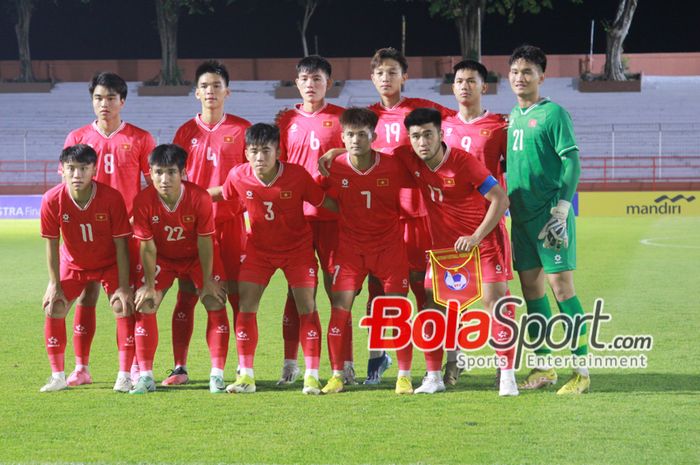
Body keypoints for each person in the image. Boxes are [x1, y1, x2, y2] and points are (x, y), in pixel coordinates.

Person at [209, 123, 337, 395]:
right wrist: (182, 194)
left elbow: (323, 201)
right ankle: (246, 375)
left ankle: (312, 375)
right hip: (259, 251)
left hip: (298, 251)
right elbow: (221, 193)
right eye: (253, 151)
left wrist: (360, 213)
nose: (259, 158)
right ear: (245, 152)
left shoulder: (297, 175)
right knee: (246, 306)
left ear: (278, 151)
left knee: (307, 306)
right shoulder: (239, 175)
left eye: (265, 151)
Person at [396, 108, 511, 394]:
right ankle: (434, 378)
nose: (422, 142)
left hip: (481, 245)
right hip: (444, 254)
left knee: (495, 304)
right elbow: (371, 156)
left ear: (441, 134)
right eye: (416, 136)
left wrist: (475, 236)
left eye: (428, 135)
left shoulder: (463, 162)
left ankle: (507, 375)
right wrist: (336, 151)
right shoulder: (409, 159)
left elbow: (500, 199)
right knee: (431, 308)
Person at [363, 47, 456, 383]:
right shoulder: (365, 117)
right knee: (379, 291)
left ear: (405, 76)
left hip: (423, 216)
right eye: (380, 73)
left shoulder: (423, 111)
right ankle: (378, 359)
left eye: (392, 72)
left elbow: (460, 124)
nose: (386, 78)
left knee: (431, 292)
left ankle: (450, 359)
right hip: (382, 219)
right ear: (372, 78)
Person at [506, 45, 590, 394]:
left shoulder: (554, 114)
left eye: (527, 72)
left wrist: (562, 208)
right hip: (521, 218)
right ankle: (544, 366)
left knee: (562, 289)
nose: (520, 78)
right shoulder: (512, 116)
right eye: (514, 72)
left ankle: (582, 371)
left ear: (542, 76)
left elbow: (572, 162)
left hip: (549, 216)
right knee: (531, 291)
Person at [63, 72, 156, 387]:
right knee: (86, 298)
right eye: (98, 98)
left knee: (124, 300)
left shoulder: (140, 138)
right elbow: (66, 188)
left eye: (111, 98)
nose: (104, 104)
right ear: (92, 100)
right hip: (88, 234)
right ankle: (81, 368)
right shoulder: (77, 138)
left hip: (124, 235)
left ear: (123, 101)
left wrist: (141, 222)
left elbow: (152, 187)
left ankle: (128, 368)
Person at [316, 107, 415, 395]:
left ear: (373, 136)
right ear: (342, 137)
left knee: (397, 310)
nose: (355, 139)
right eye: (349, 134)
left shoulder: (393, 164)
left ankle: (404, 375)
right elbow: (321, 197)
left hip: (389, 248)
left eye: (362, 134)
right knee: (339, 308)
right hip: (350, 249)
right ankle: (337, 374)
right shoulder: (335, 167)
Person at [168, 60, 250, 386]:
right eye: (205, 86)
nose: (211, 91)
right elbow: (173, 180)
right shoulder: (184, 133)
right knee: (186, 294)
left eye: (217, 86)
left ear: (227, 92)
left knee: (236, 297)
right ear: (196, 93)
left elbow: (253, 178)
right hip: (192, 228)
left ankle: (244, 367)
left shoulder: (242, 130)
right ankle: (180, 367)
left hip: (230, 226)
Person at [441, 60, 517, 390]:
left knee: (494, 299)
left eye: (472, 81)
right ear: (453, 87)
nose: (465, 86)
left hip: (487, 226)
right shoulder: (441, 127)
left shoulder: (501, 127)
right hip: (450, 227)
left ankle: (506, 369)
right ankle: (453, 363)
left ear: (483, 87)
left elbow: (515, 169)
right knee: (451, 301)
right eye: (459, 81)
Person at [131, 144, 229, 394]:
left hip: (197, 256)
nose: (164, 179)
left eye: (171, 172)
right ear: (150, 173)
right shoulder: (143, 201)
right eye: (159, 172)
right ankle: (145, 377)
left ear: (183, 172)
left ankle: (217, 375)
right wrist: (149, 285)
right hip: (163, 258)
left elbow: (206, 241)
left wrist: (207, 280)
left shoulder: (199, 198)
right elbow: (148, 248)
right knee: (146, 303)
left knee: (214, 300)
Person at [274, 55, 348, 385]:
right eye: (304, 78)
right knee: (297, 293)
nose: (310, 84)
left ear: (328, 83)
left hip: (333, 216)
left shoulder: (342, 119)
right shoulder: (285, 120)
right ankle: (290, 363)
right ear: (297, 82)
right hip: (296, 221)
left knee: (338, 292)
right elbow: (278, 168)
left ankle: (343, 363)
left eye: (317, 78)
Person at [39, 144, 134, 393]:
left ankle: (124, 374)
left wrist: (124, 287)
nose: (77, 175)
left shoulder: (111, 198)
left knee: (121, 306)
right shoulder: (52, 200)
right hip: (73, 264)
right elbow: (51, 244)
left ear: (95, 169)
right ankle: (58, 375)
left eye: (83, 168)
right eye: (71, 169)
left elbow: (122, 245)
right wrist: (54, 284)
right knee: (54, 307)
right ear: (62, 170)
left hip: (109, 262)